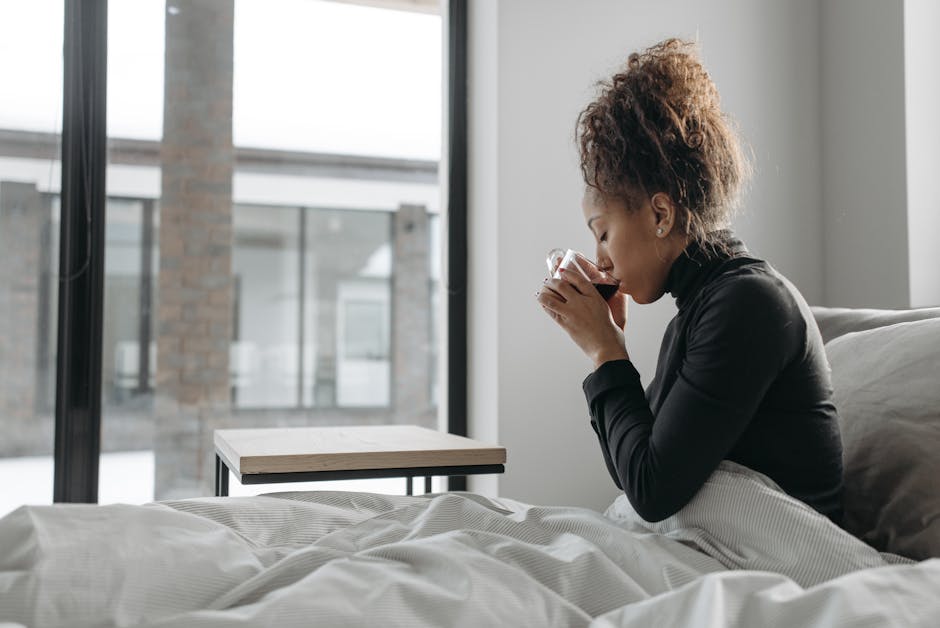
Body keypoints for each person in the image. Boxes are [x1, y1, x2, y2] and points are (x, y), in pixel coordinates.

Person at [536, 38, 843, 524]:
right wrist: (610, 346)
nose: (600, 260)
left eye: (603, 234)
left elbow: (651, 490)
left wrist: (607, 354)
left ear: (660, 214)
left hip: (775, 551)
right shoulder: (703, 308)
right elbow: (635, 470)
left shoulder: (747, 304)